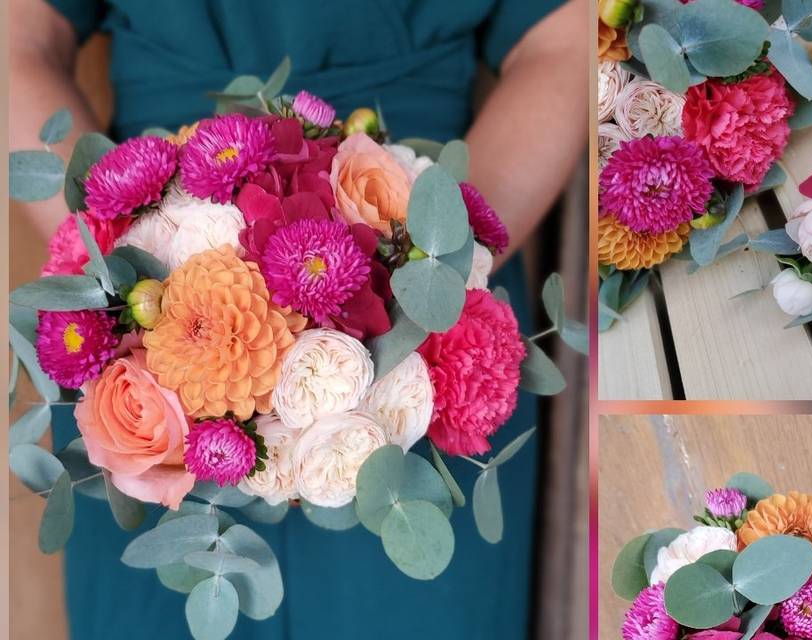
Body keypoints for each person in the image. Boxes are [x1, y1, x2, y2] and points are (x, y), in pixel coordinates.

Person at [10, 0, 588, 638]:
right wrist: (130, 257)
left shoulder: (426, 276)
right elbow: (18, 37)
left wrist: (430, 266)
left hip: (420, 302)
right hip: (151, 321)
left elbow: (564, 36)